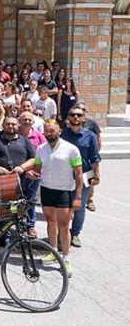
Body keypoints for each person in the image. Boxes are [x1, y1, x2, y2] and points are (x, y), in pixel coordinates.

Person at [30, 120, 83, 277]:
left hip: (64, 191)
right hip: (47, 190)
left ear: (59, 131)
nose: (49, 133)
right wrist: (31, 174)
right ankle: (53, 251)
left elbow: (79, 175)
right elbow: (37, 170)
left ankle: (65, 258)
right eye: (46, 131)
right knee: (50, 223)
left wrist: (78, 197)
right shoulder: (41, 149)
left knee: (64, 226)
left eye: (52, 130)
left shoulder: (71, 149)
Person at [0, 115, 35, 217]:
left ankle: (8, 231)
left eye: (13, 124)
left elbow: (33, 158)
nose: (10, 126)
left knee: (12, 212)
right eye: (8, 124)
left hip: (16, 184)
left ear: (18, 125)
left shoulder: (24, 141)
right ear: (3, 125)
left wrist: (22, 168)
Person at [62, 106, 100, 248]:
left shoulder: (90, 136)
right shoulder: (63, 135)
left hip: (84, 175)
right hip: (66, 176)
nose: (76, 117)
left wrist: (96, 176)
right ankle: (63, 232)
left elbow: (95, 157)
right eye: (73, 114)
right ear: (69, 118)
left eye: (79, 115)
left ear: (83, 118)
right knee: (65, 205)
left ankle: (75, 233)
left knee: (80, 206)